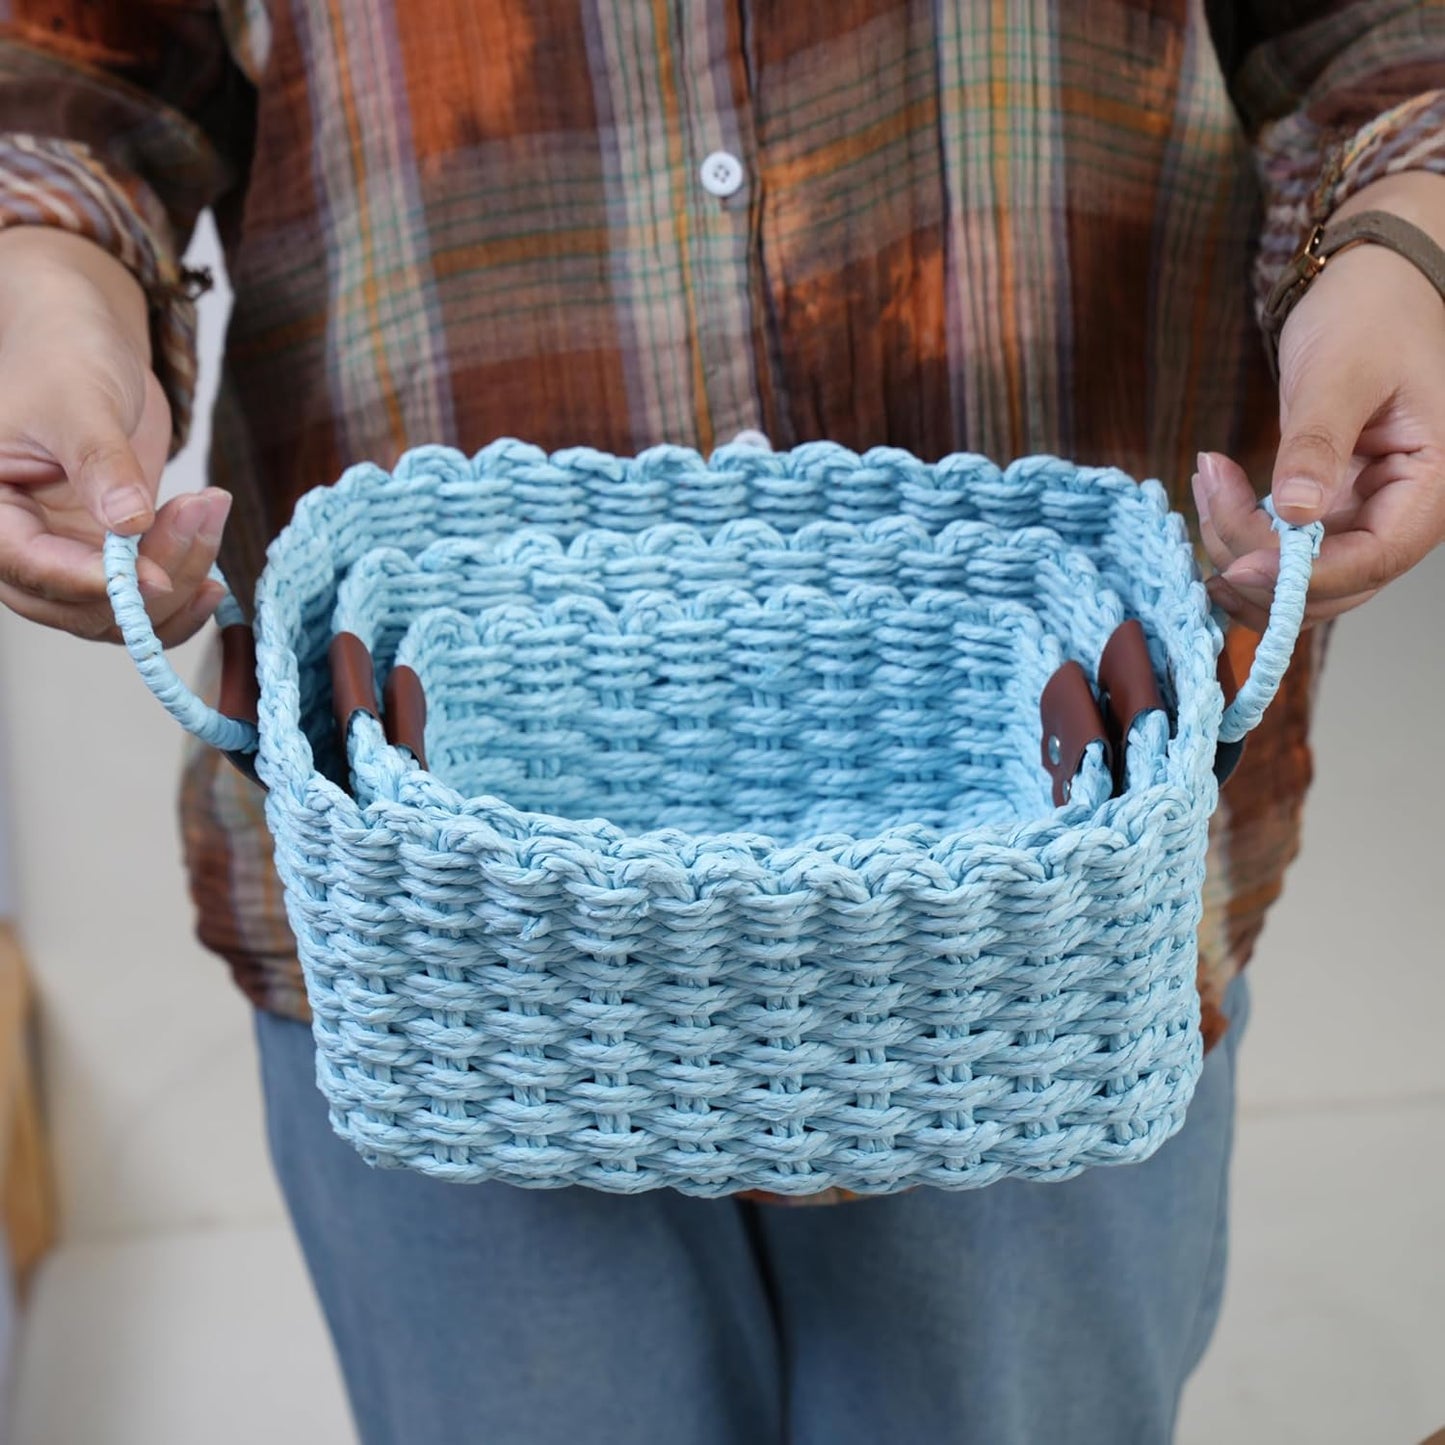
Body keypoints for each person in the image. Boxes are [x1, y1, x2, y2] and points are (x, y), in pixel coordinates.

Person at [1, 4, 1442, 1442]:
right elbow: (79, 59)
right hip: (447, 957)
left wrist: (1406, 242)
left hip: (1044, 927)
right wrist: (43, 283)